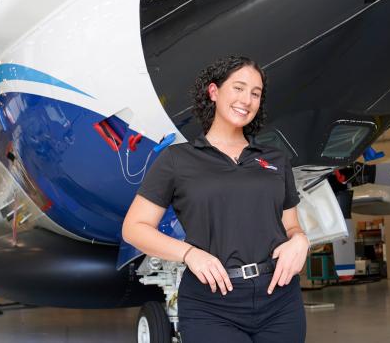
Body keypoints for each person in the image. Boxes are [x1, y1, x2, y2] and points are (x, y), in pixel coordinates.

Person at [122, 56, 309, 342]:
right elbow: (134, 227)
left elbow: (291, 227)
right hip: (211, 302)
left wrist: (300, 240)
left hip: (280, 299)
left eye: (255, 93)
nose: (246, 99)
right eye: (238, 88)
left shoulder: (275, 160)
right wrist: (189, 254)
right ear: (213, 92)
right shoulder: (177, 159)